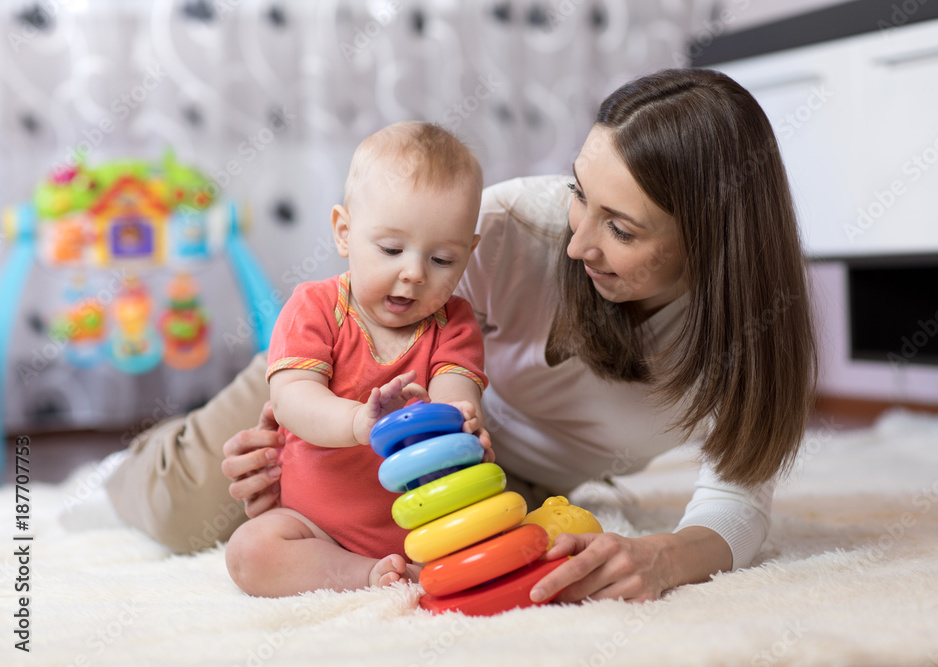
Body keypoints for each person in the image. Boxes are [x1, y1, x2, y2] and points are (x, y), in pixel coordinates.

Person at [104, 68, 816, 603]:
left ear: (712, 244)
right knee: (183, 511)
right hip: (348, 378)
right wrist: (294, 437)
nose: (578, 244)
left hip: (486, 464)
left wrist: (667, 557)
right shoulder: (509, 230)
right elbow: (387, 328)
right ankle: (135, 458)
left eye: (621, 229)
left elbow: (738, 500)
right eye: (580, 195)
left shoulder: (745, 336)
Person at [223, 121, 491, 597]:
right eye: (391, 249)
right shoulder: (314, 307)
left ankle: (413, 566)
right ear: (344, 233)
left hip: (427, 523)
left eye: (443, 260)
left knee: (496, 530)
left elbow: (457, 397)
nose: (413, 273)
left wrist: (459, 422)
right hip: (314, 524)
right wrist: (357, 423)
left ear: (469, 252)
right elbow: (292, 399)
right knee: (251, 552)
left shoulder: (455, 322)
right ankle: (361, 574)